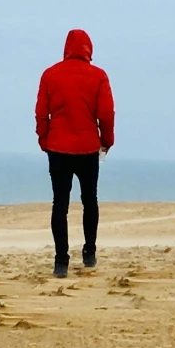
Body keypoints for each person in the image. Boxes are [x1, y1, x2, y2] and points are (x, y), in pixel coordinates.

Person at [35, 28, 114, 277]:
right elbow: (106, 113)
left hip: (57, 147)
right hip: (88, 148)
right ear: (89, 49)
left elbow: (41, 113)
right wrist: (107, 140)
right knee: (90, 201)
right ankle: (89, 252)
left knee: (60, 204)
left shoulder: (50, 75)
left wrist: (44, 139)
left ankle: (61, 261)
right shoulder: (98, 76)